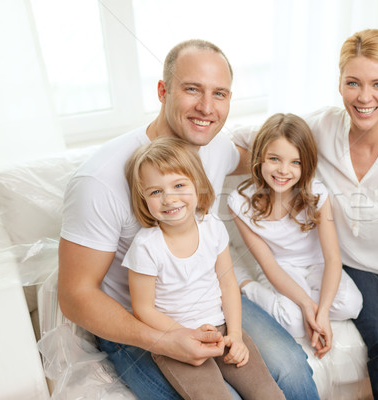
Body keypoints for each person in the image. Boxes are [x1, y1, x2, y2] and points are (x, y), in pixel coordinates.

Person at [58, 39, 319, 400]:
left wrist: (320, 140)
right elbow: (74, 296)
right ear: (163, 91)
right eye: (192, 89)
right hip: (140, 321)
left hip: (210, 301)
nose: (206, 108)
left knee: (289, 370)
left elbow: (264, 158)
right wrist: (164, 340)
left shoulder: (215, 146)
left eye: (220, 94)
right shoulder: (99, 179)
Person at [232, 29, 378, 400]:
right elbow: (257, 138)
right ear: (340, 84)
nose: (365, 97)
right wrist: (184, 158)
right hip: (359, 267)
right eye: (353, 83)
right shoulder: (322, 127)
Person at [122, 137, 285, 400]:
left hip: (220, 328)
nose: (169, 199)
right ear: (143, 199)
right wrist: (186, 335)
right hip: (175, 338)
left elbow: (228, 283)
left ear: (197, 185)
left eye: (178, 185)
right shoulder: (146, 247)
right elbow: (143, 309)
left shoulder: (212, 226)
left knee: (269, 394)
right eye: (155, 192)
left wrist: (234, 334)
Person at [227, 113, 363, 359]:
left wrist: (320, 313)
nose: (283, 170)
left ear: (306, 165)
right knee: (294, 323)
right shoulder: (239, 202)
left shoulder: (318, 194)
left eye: (295, 162)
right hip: (280, 268)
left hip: (317, 264)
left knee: (352, 304)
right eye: (274, 159)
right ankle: (246, 285)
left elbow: (333, 259)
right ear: (259, 159)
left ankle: (307, 305)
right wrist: (304, 304)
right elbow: (268, 264)